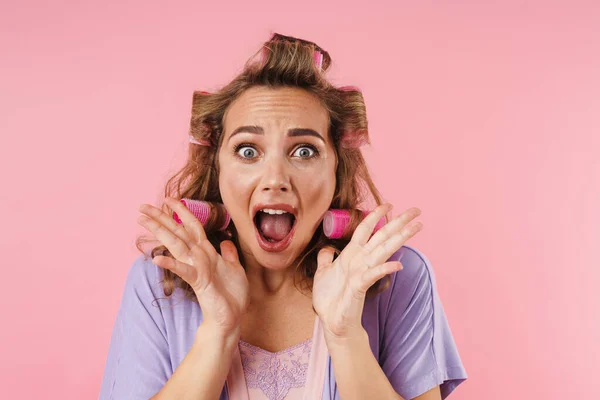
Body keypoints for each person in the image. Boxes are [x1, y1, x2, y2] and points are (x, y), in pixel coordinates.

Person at [99, 33, 468, 400]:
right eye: (247, 151)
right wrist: (218, 334)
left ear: (336, 169)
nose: (275, 179)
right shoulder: (159, 281)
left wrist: (345, 337)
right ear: (218, 170)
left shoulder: (396, 276)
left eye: (304, 151)